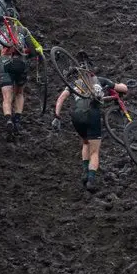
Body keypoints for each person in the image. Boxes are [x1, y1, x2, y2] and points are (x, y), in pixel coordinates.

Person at [53, 55, 128, 192]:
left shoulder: (74, 83)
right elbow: (122, 89)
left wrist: (57, 116)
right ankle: (91, 180)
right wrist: (125, 85)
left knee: (85, 143)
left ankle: (84, 172)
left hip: (76, 114)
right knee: (94, 151)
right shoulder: (100, 80)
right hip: (92, 114)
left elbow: (61, 98)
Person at [0, 6, 44, 137]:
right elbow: (33, 51)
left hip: (5, 63)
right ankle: (17, 120)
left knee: (6, 96)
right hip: (21, 63)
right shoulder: (23, 30)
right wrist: (26, 55)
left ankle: (8, 119)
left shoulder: (0, 30)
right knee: (19, 93)